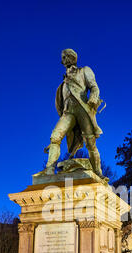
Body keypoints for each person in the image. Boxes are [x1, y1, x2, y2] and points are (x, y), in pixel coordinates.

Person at [44, 48, 104, 177]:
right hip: (68, 113)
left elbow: (94, 87)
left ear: (73, 58)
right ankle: (49, 170)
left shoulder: (84, 71)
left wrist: (93, 98)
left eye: (66, 57)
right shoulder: (62, 84)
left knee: (90, 143)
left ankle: (98, 172)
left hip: (82, 109)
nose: (64, 60)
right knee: (55, 137)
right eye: (63, 58)